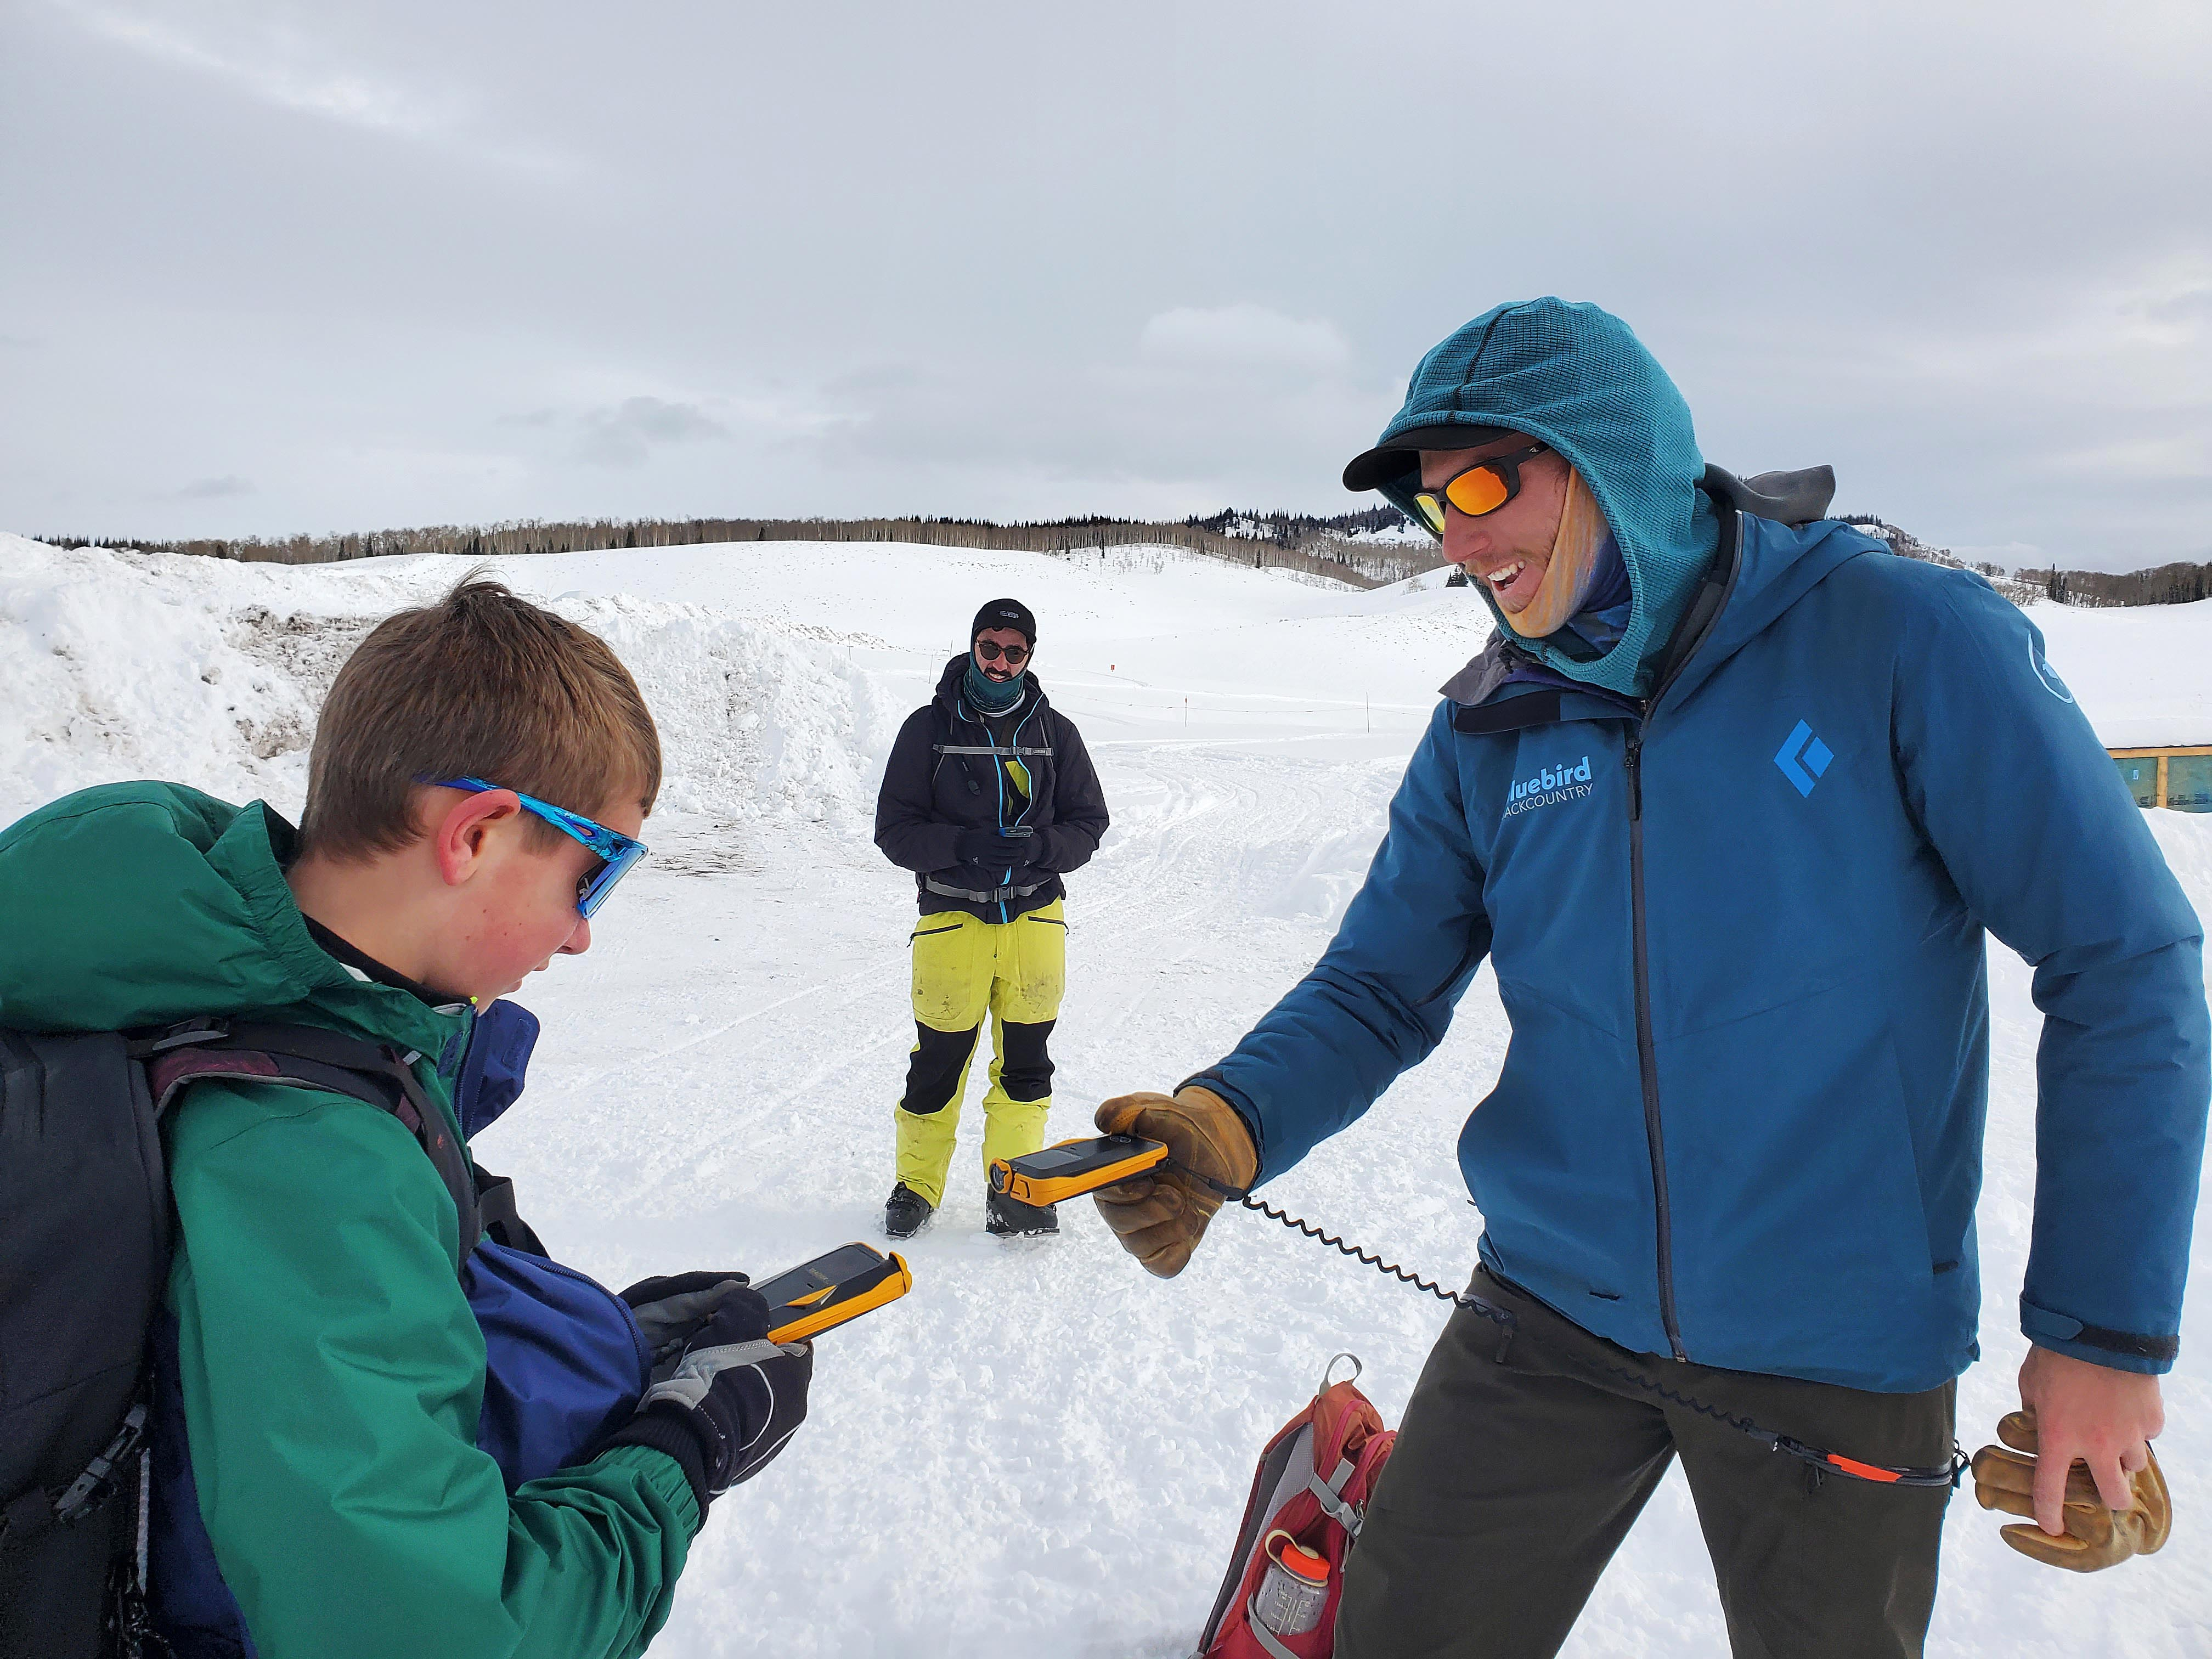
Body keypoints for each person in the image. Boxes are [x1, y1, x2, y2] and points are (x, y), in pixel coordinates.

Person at [1089, 300, 2207, 1656]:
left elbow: (2125, 959)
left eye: (1490, 483)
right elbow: (1381, 984)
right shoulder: (1492, 725)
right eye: (1434, 505)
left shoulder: (1899, 641)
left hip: (1839, 1341)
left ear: (1609, 457)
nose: (1462, 538)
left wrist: (2101, 1337)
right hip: (1551, 1306)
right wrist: (1232, 1120)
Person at [0, 579, 811, 1658]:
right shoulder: (307, 1155)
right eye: (593, 874)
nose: (579, 939)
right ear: (476, 833)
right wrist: (679, 1450)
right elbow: (434, 1633)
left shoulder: (219, 994)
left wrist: (614, 1351)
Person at [873, 598, 1109, 1239]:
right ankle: (915, 1186)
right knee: (938, 1064)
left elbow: (1090, 825)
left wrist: (1039, 848)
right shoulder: (927, 729)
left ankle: (1015, 1188)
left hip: (1035, 923)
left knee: (1026, 1066)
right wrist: (962, 846)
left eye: (1015, 652)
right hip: (954, 922)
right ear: (973, 646)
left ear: (1029, 655)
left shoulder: (1055, 733)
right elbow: (893, 831)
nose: (1001, 663)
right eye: (990, 648)